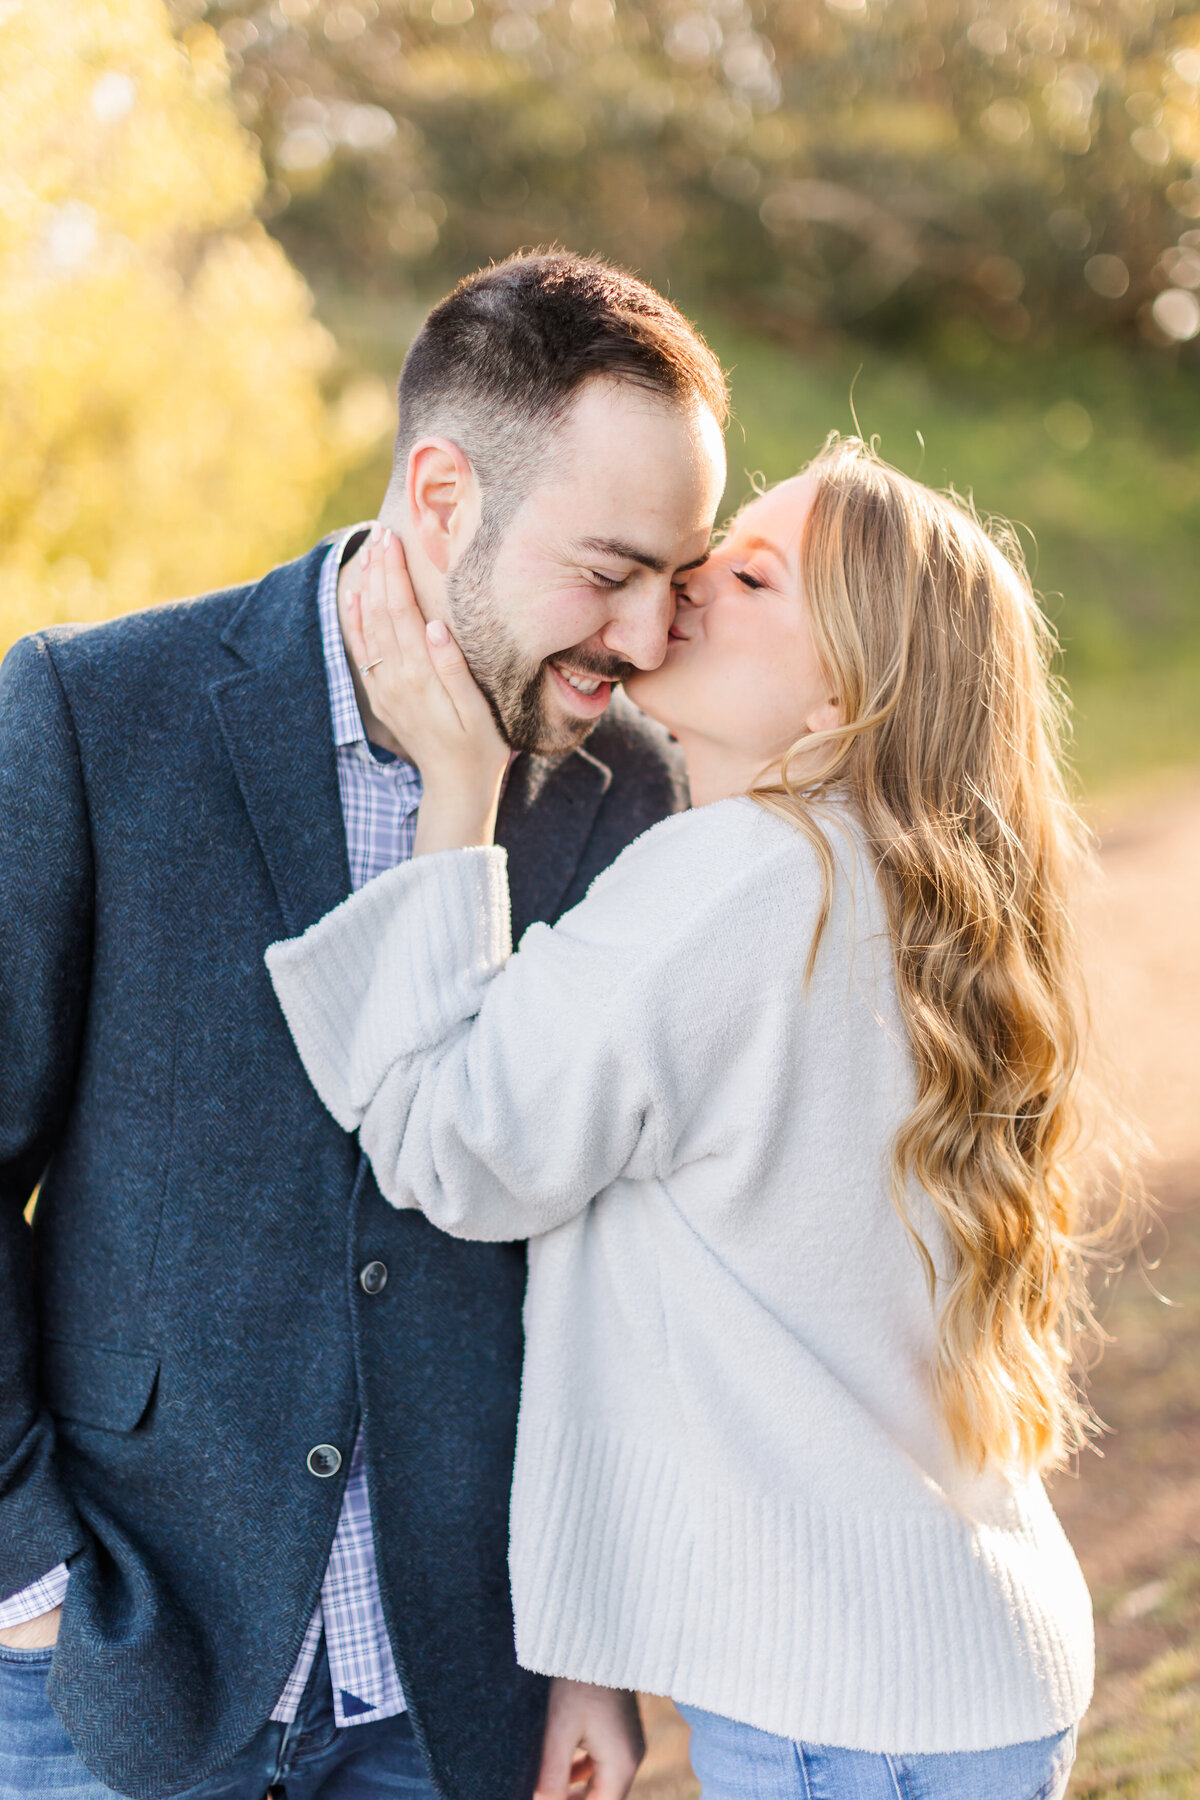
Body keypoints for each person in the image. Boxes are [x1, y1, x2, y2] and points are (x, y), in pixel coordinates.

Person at [267, 436, 1111, 1800]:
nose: (692, 584)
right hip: (967, 1668)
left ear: (852, 675)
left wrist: (457, 789)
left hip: (844, 1713)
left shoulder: (734, 881)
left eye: (755, 576)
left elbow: (454, 1148)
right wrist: (591, 1664)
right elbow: (697, 1323)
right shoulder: (911, 894)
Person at [0, 251, 727, 1800]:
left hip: (456, 1689)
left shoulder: (636, 792)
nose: (651, 636)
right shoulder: (91, 715)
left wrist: (589, 1645)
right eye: (608, 572)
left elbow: (616, 1250)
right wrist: (27, 1569)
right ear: (444, 493)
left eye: (682, 573)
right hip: (106, 1679)